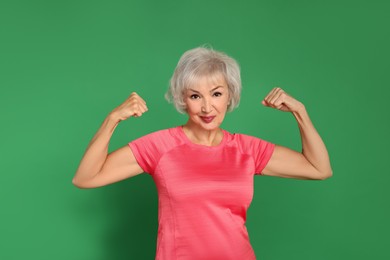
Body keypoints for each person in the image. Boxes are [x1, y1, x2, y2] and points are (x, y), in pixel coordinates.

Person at [72, 46, 332, 260]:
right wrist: (113, 119)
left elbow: (319, 168)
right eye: (195, 96)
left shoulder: (246, 149)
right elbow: (85, 178)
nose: (207, 107)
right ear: (182, 99)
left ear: (229, 95)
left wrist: (300, 112)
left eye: (216, 94)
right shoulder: (160, 146)